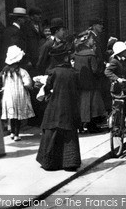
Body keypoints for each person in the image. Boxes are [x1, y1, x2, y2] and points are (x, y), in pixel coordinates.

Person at [36, 42, 82, 171]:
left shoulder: (54, 72)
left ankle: (51, 163)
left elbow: (47, 88)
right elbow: (78, 89)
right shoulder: (74, 72)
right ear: (66, 58)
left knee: (52, 132)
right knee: (69, 134)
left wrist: (43, 90)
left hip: (55, 106)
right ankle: (70, 162)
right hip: (70, 107)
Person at [0, 45, 34, 141]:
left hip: (8, 95)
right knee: (18, 116)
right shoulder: (22, 71)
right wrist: (29, 87)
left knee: (12, 115)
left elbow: (3, 82)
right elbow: (27, 83)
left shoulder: (5, 71)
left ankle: (11, 132)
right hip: (19, 95)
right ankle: (16, 134)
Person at [73, 34, 106, 133]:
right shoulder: (91, 54)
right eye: (92, 39)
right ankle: (92, 126)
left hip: (80, 83)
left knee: (82, 104)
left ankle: (81, 125)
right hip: (92, 83)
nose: (94, 41)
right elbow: (95, 70)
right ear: (87, 41)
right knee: (93, 106)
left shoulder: (77, 53)